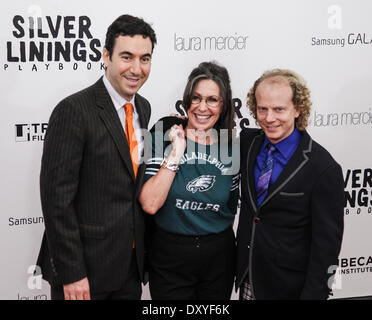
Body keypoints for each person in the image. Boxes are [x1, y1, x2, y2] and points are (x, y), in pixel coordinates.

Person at [36, 14, 157, 300]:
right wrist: (72, 272)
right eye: (126, 57)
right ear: (106, 56)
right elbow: (56, 201)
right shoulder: (73, 110)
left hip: (129, 269)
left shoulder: (144, 107)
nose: (136, 69)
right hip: (85, 273)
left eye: (145, 58)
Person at [236, 69, 344, 300]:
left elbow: (327, 249)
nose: (269, 117)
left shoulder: (323, 168)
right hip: (248, 278)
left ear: (298, 109)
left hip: (290, 289)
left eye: (279, 109)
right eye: (262, 108)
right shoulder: (248, 143)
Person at [139, 61, 240, 300]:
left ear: (223, 104)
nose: (202, 107)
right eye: (196, 98)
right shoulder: (164, 132)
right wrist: (177, 151)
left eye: (212, 100)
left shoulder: (231, 144)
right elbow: (150, 203)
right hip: (170, 255)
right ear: (187, 100)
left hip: (218, 257)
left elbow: (230, 206)